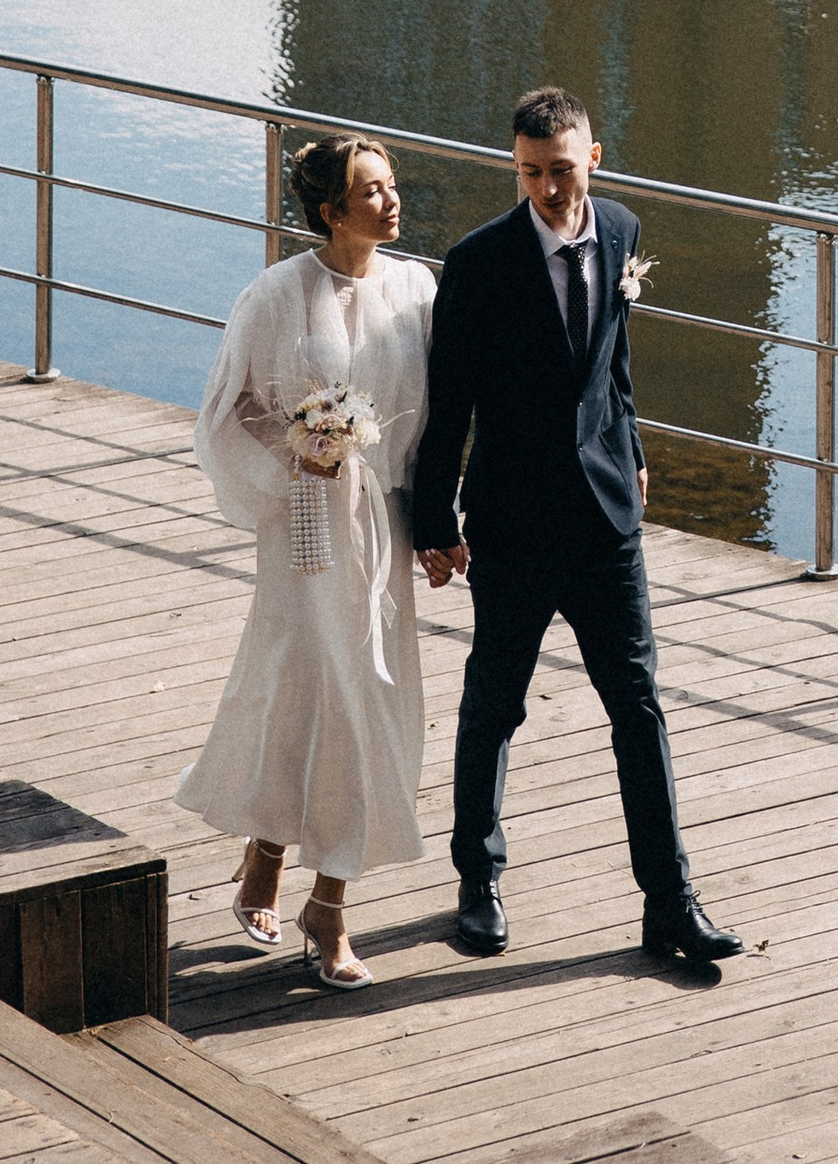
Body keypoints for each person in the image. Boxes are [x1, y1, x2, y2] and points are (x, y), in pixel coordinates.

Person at [411, 84, 742, 970]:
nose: (549, 191)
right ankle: (476, 881)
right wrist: (433, 518)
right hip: (514, 524)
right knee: (495, 703)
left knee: (638, 706)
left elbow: (615, 364)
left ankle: (669, 901)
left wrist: (627, 443)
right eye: (531, 174)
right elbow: (451, 408)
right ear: (514, 167)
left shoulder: (626, 231)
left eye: (562, 170)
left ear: (594, 156)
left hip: (606, 523)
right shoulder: (477, 262)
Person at [176, 132, 434, 990]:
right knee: (302, 687)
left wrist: (438, 521)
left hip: (381, 530)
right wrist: (296, 458)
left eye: (392, 185)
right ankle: (269, 849)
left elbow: (435, 417)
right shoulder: (278, 294)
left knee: (370, 694)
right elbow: (225, 413)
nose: (391, 201)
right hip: (302, 527)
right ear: (330, 210)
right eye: (371, 190)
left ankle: (329, 898)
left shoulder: (418, 288)